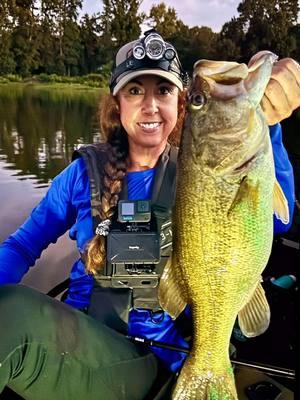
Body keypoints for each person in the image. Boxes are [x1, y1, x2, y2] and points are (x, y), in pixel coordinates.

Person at [0, 30, 298, 400]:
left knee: (10, 318)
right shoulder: (80, 175)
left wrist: (269, 125)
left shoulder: (198, 175)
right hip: (75, 340)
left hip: (150, 359)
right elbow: (22, 246)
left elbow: (278, 222)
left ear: (181, 104)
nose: (151, 105)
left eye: (164, 90)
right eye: (135, 90)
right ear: (117, 104)